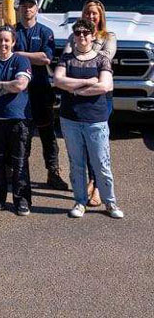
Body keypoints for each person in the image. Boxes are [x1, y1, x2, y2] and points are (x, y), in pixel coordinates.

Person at [53, 18, 123, 220]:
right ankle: (80, 201)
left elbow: (105, 86)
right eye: (78, 33)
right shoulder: (66, 59)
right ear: (74, 37)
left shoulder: (102, 59)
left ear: (93, 36)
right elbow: (58, 80)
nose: (82, 36)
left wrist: (74, 90)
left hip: (96, 120)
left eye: (86, 33)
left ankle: (110, 202)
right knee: (76, 163)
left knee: (101, 163)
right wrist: (88, 81)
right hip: (70, 119)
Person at [62, 0, 116, 207]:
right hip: (79, 96)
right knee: (80, 146)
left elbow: (104, 57)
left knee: (97, 147)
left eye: (94, 13)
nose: (91, 16)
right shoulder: (73, 36)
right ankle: (88, 184)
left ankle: (97, 186)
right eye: (87, 13)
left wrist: (76, 80)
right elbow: (67, 58)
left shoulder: (109, 37)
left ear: (100, 16)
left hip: (99, 99)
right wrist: (87, 80)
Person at [14, 0, 69, 191]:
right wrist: (31, 57)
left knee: (47, 134)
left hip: (41, 90)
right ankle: (20, 175)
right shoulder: (13, 32)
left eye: (31, 6)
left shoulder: (45, 32)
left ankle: (53, 173)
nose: (27, 9)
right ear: (19, 9)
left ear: (36, 9)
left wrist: (18, 55)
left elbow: (46, 58)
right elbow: (5, 55)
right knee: (22, 134)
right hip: (19, 93)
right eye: (24, 6)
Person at [0, 26, 33, 216]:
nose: (3, 43)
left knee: (20, 163)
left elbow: (21, 84)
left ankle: (22, 200)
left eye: (7, 40)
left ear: (13, 42)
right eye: (0, 40)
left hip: (18, 119)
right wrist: (8, 88)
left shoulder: (21, 60)